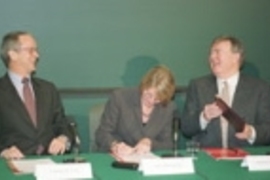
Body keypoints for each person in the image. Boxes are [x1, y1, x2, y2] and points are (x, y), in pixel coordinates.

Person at [182, 36, 270, 148]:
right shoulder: (198, 86)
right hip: (207, 160)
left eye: (217, 52)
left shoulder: (259, 88)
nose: (212, 57)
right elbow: (186, 128)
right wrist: (204, 117)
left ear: (235, 57)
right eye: (211, 53)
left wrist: (251, 132)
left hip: (244, 159)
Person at [0, 31, 72, 159]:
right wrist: (3, 152)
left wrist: (62, 139)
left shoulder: (48, 89)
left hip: (50, 163)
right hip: (13, 165)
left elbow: (62, 124)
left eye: (36, 50)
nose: (37, 55)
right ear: (13, 54)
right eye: (31, 50)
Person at [95, 65, 177, 156]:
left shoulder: (168, 108)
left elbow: (168, 144)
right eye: (149, 94)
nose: (151, 101)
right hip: (116, 158)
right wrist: (115, 145)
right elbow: (102, 133)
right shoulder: (120, 98)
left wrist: (150, 142)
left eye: (158, 99)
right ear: (144, 84)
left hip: (147, 162)